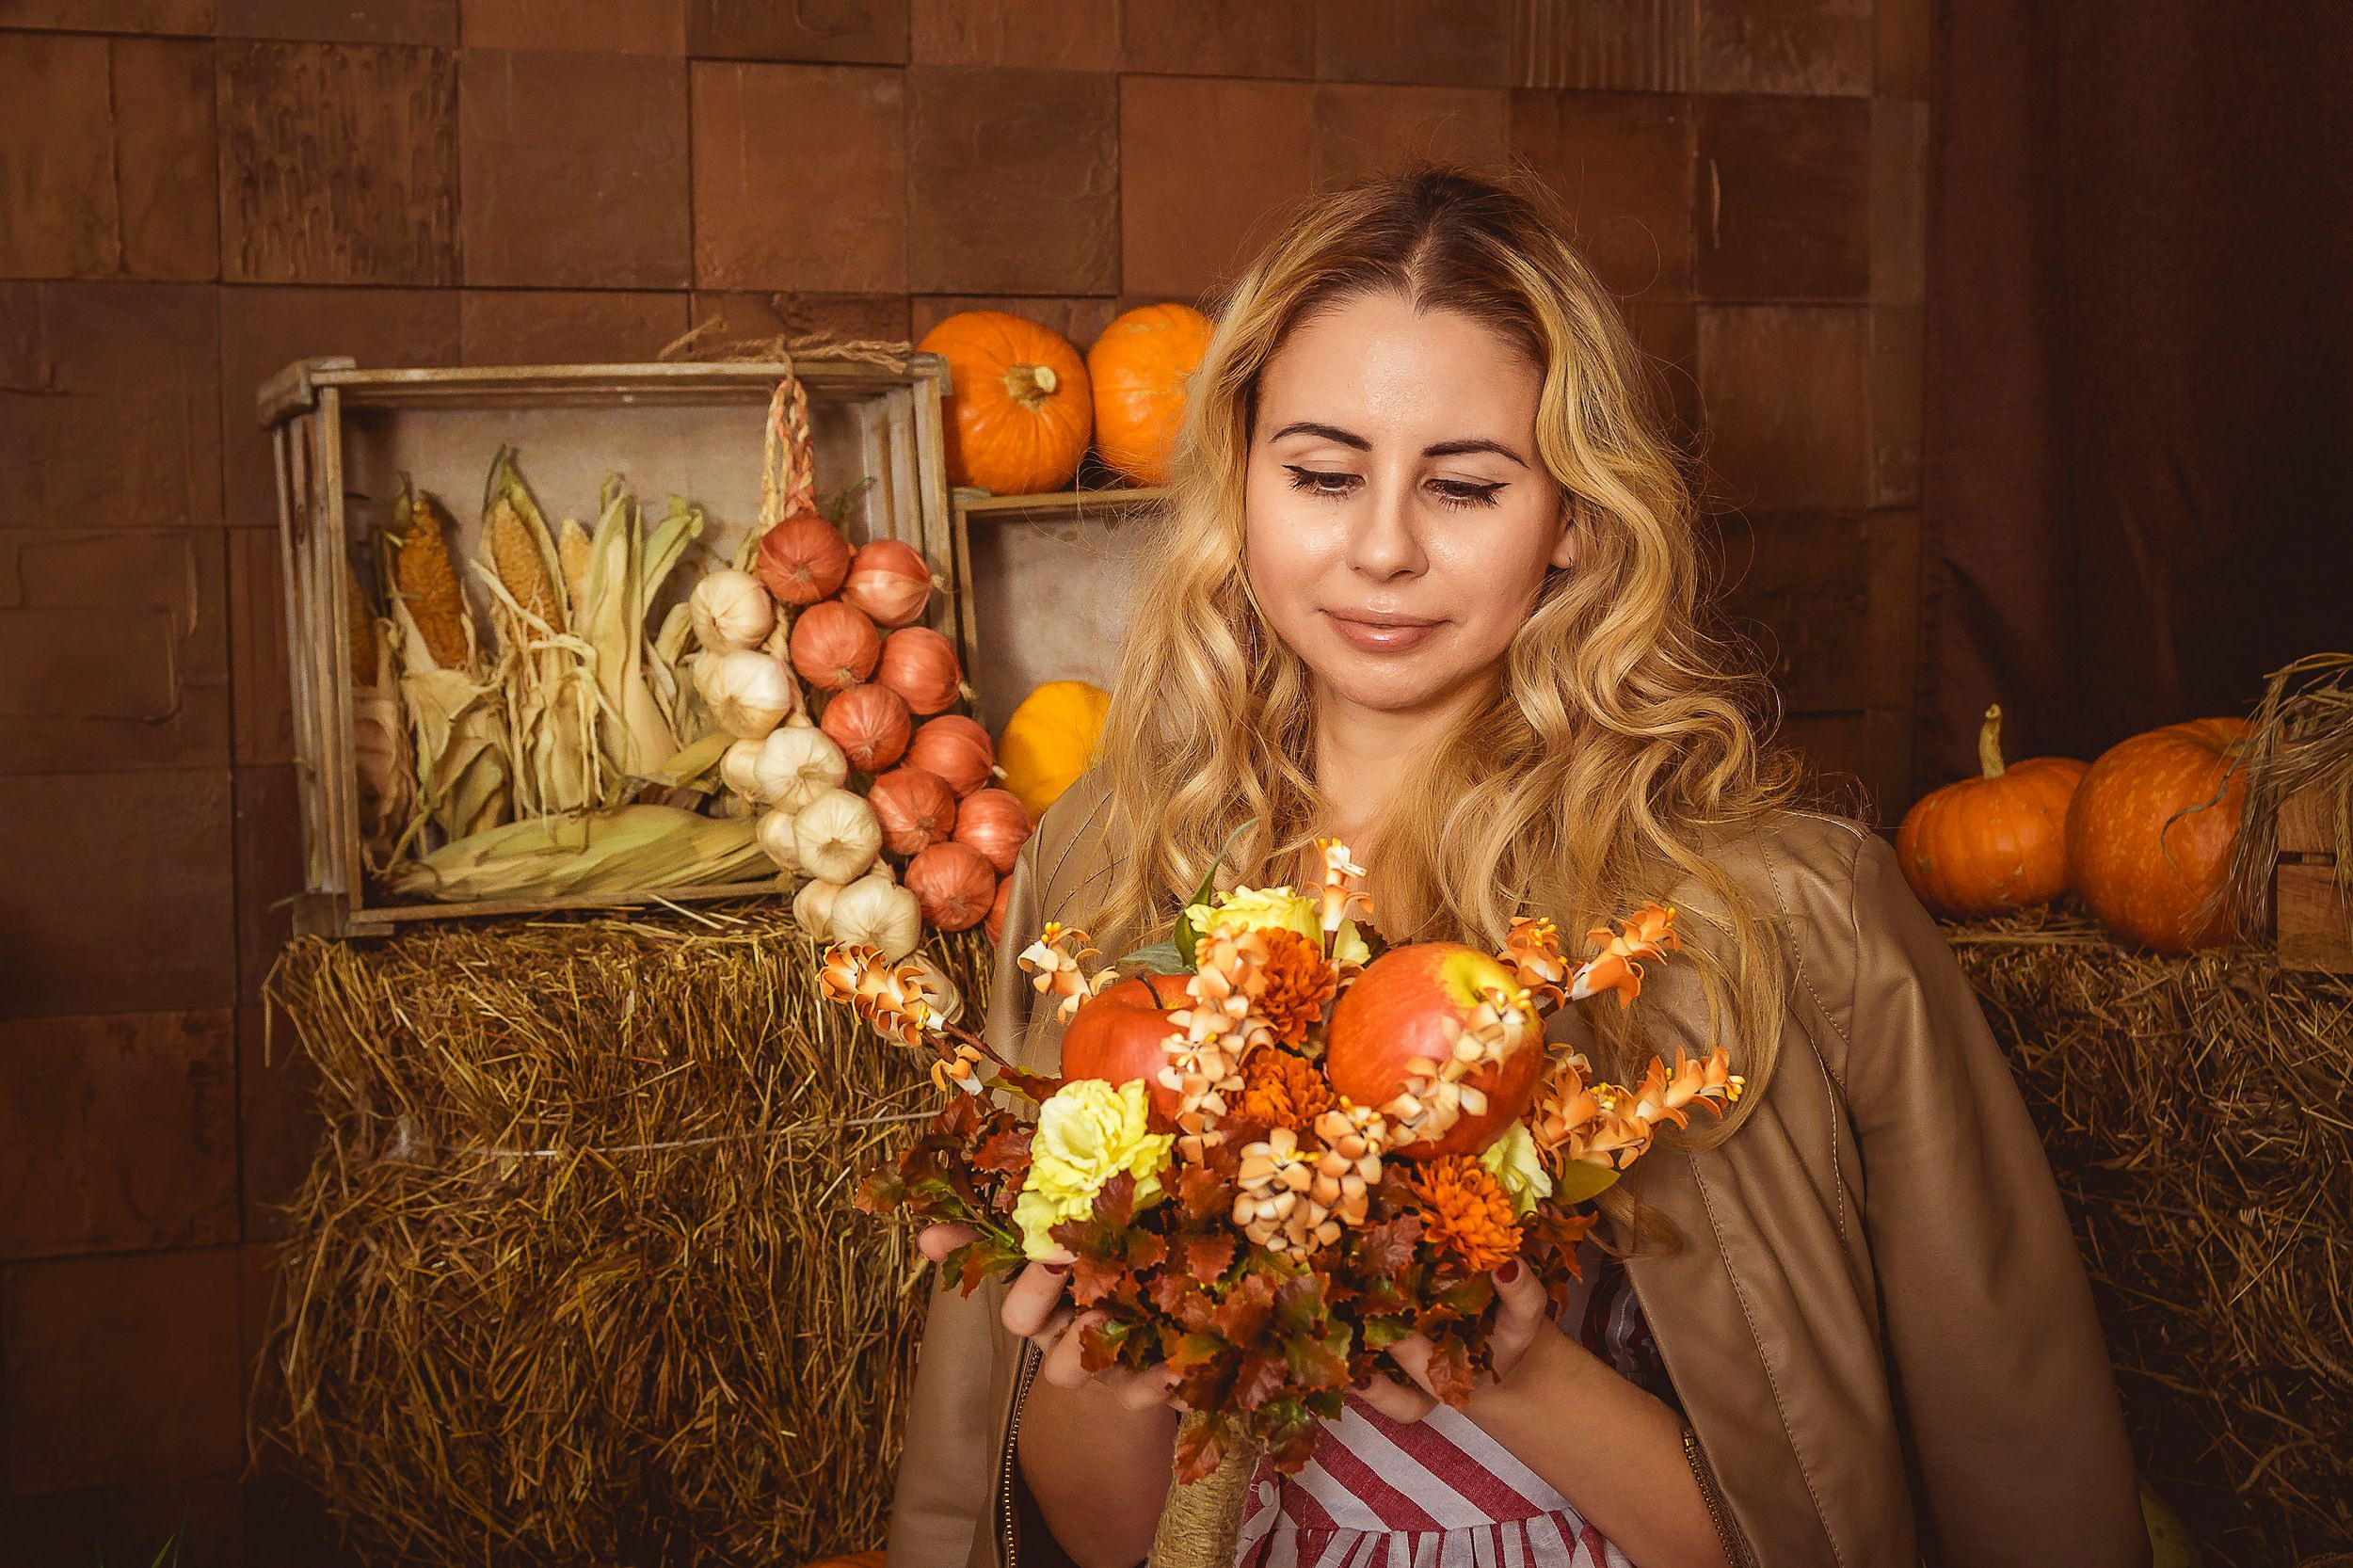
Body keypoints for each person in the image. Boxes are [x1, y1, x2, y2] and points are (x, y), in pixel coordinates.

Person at [886, 168, 2148, 1568]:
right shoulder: (1111, 860)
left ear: (1576, 518)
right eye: (1320, 473)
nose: (1381, 548)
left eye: (1467, 486)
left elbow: (1941, 1478)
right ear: (1236, 481)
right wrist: (1104, 1354)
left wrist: (1501, 1357)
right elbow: (1109, 1536)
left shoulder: (1778, 917)